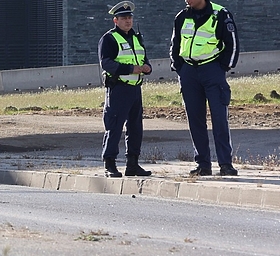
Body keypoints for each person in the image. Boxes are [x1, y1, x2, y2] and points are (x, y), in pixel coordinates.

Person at [170, 0, 239, 176]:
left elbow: (232, 44)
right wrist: (179, 67)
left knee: (219, 118)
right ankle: (203, 164)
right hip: (189, 72)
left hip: (212, 69)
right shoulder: (182, 16)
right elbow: (175, 44)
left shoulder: (221, 14)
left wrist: (222, 68)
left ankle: (225, 164)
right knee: (195, 119)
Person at [100, 1, 153, 178]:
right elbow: (106, 63)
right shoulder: (109, 38)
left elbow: (145, 58)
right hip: (119, 88)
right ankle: (110, 165)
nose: (128, 21)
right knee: (114, 127)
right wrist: (130, 69)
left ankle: (132, 164)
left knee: (135, 128)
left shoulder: (137, 37)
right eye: (123, 18)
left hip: (135, 89)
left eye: (129, 17)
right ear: (115, 20)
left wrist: (147, 67)